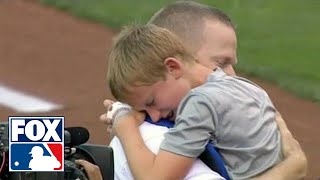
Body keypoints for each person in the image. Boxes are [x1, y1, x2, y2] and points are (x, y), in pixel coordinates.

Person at [101, 1, 307, 180]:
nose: (152, 116)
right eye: (222, 62)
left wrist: (124, 123)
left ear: (173, 67)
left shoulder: (199, 103)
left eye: (151, 101)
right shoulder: (249, 88)